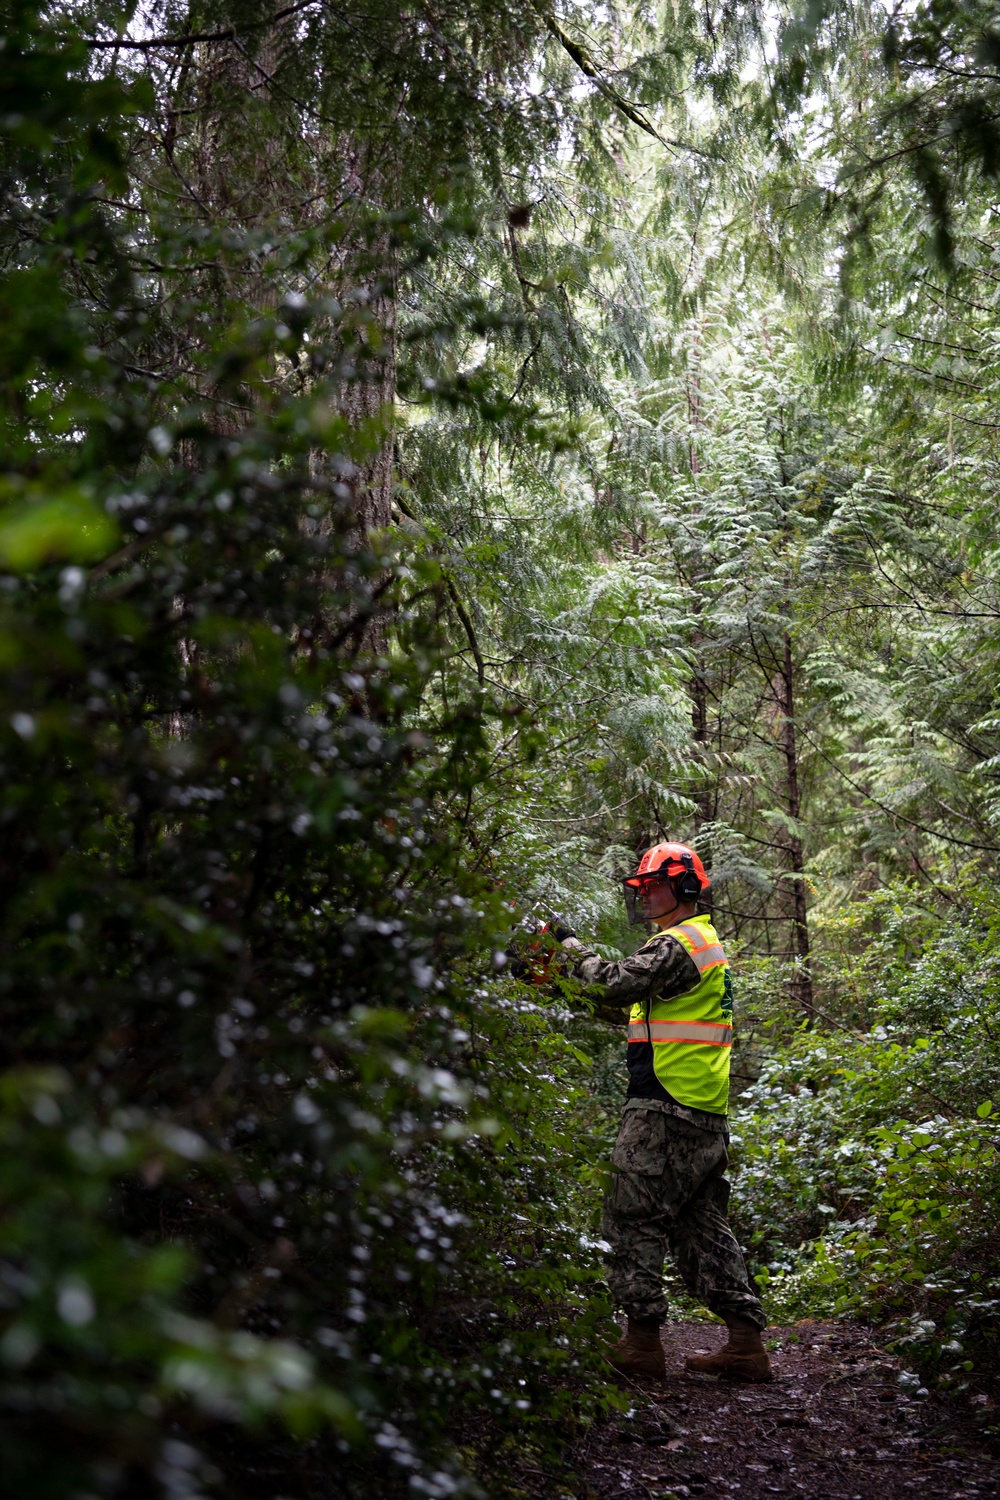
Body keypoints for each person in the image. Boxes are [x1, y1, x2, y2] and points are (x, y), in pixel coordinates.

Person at [542, 842, 770, 1382]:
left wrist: (566, 941)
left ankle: (642, 1343)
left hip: (665, 1108)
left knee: (630, 1217)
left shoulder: (680, 943)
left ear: (686, 886)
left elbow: (611, 982)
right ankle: (745, 1345)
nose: (645, 895)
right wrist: (549, 982)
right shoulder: (694, 947)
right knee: (701, 1226)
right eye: (641, 887)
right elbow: (622, 1010)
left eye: (655, 885)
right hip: (701, 1109)